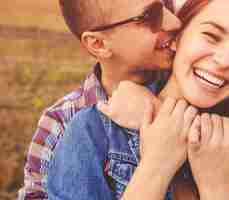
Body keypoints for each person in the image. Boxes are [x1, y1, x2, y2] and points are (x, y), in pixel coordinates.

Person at [47, 0, 229, 199]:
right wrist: (157, 164)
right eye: (211, 36)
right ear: (175, 37)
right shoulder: (92, 131)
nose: (224, 61)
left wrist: (218, 189)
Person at [17, 0, 181, 199]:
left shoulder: (196, 92)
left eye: (167, 4)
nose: (174, 22)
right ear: (99, 44)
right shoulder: (60, 123)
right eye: (149, 16)